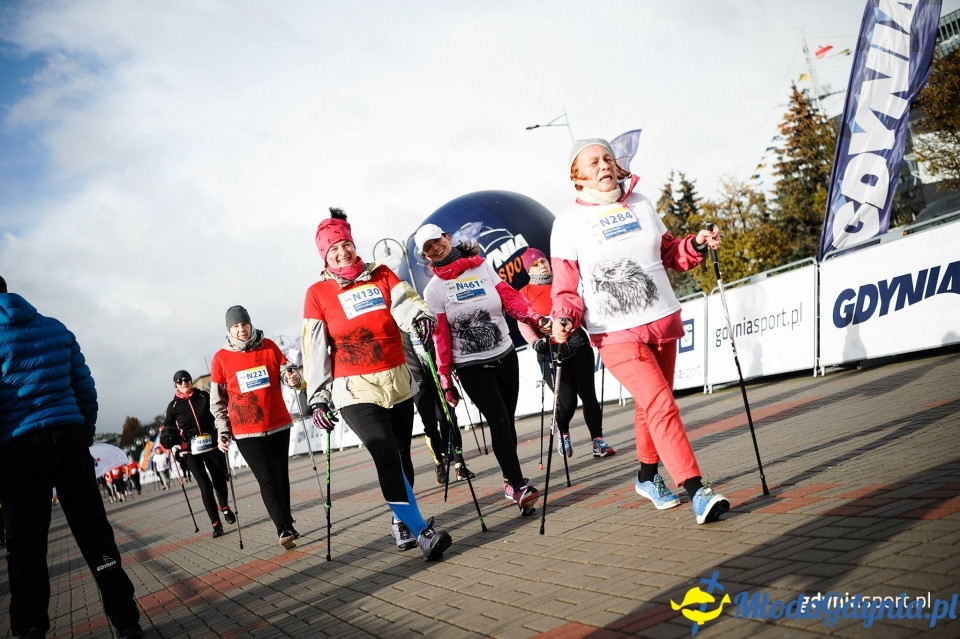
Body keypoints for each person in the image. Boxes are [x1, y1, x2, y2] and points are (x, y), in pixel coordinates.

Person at [550, 138, 730, 524]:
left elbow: (670, 254)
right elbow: (565, 288)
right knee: (662, 403)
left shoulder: (641, 203)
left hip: (661, 319)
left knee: (652, 406)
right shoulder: (567, 223)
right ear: (577, 176)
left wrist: (695, 243)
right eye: (594, 161)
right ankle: (697, 490)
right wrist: (564, 317)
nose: (604, 165)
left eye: (608, 158)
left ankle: (647, 477)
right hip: (613, 331)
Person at [302, 208, 452, 561]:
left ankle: (401, 522)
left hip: (397, 380)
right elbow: (314, 350)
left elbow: (408, 304)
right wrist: (318, 398)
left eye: (346, 244)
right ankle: (421, 533)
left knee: (402, 457)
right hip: (355, 390)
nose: (342, 252)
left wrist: (421, 319)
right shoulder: (317, 294)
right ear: (324, 255)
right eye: (333, 248)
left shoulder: (380, 275)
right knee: (385, 455)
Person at [0, 275, 142, 639]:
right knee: (94, 533)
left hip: (18, 450)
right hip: (68, 440)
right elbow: (86, 390)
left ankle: (31, 627)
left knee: (26, 547)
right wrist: (82, 435)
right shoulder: (55, 328)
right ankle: (126, 621)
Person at [415, 223, 551, 515]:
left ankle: (508, 478)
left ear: (447, 238)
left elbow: (508, 296)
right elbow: (440, 336)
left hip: (504, 353)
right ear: (426, 256)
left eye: (436, 241)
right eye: (428, 248)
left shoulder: (481, 266)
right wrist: (445, 377)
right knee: (499, 420)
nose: (435, 248)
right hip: (471, 364)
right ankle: (517, 484)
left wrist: (534, 316)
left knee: (507, 421)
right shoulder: (434, 290)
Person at [211, 306, 300, 549]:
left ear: (250, 324)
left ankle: (288, 521)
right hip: (246, 430)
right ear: (229, 329)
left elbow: (287, 370)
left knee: (281, 475)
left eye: (244, 324)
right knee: (267, 477)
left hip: (278, 422)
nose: (241, 329)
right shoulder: (220, 358)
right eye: (235, 326)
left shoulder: (269, 345)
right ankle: (282, 527)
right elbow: (217, 401)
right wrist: (223, 430)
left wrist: (293, 377)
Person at [517, 247, 615, 460]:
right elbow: (524, 324)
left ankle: (598, 441)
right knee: (566, 401)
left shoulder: (563, 283)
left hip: (578, 344)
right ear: (528, 270)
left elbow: (581, 307)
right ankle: (563, 431)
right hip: (550, 351)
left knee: (589, 395)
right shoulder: (524, 293)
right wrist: (535, 343)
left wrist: (597, 332)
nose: (541, 265)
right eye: (535, 264)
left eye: (543, 261)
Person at [161, 370, 237, 538]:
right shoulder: (173, 406)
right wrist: (168, 438)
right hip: (190, 450)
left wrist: (221, 432)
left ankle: (224, 507)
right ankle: (216, 524)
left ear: (190, 381)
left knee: (220, 479)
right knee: (205, 486)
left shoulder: (203, 396)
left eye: (186, 379)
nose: (183, 383)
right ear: (175, 385)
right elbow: (169, 427)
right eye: (179, 381)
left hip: (211, 444)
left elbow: (216, 413)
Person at [401, 330, 475, 485]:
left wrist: (452, 367)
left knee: (448, 419)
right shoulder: (400, 324)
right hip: (417, 383)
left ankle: (460, 464)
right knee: (430, 426)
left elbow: (443, 343)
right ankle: (439, 464)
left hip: (438, 376)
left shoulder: (427, 321)